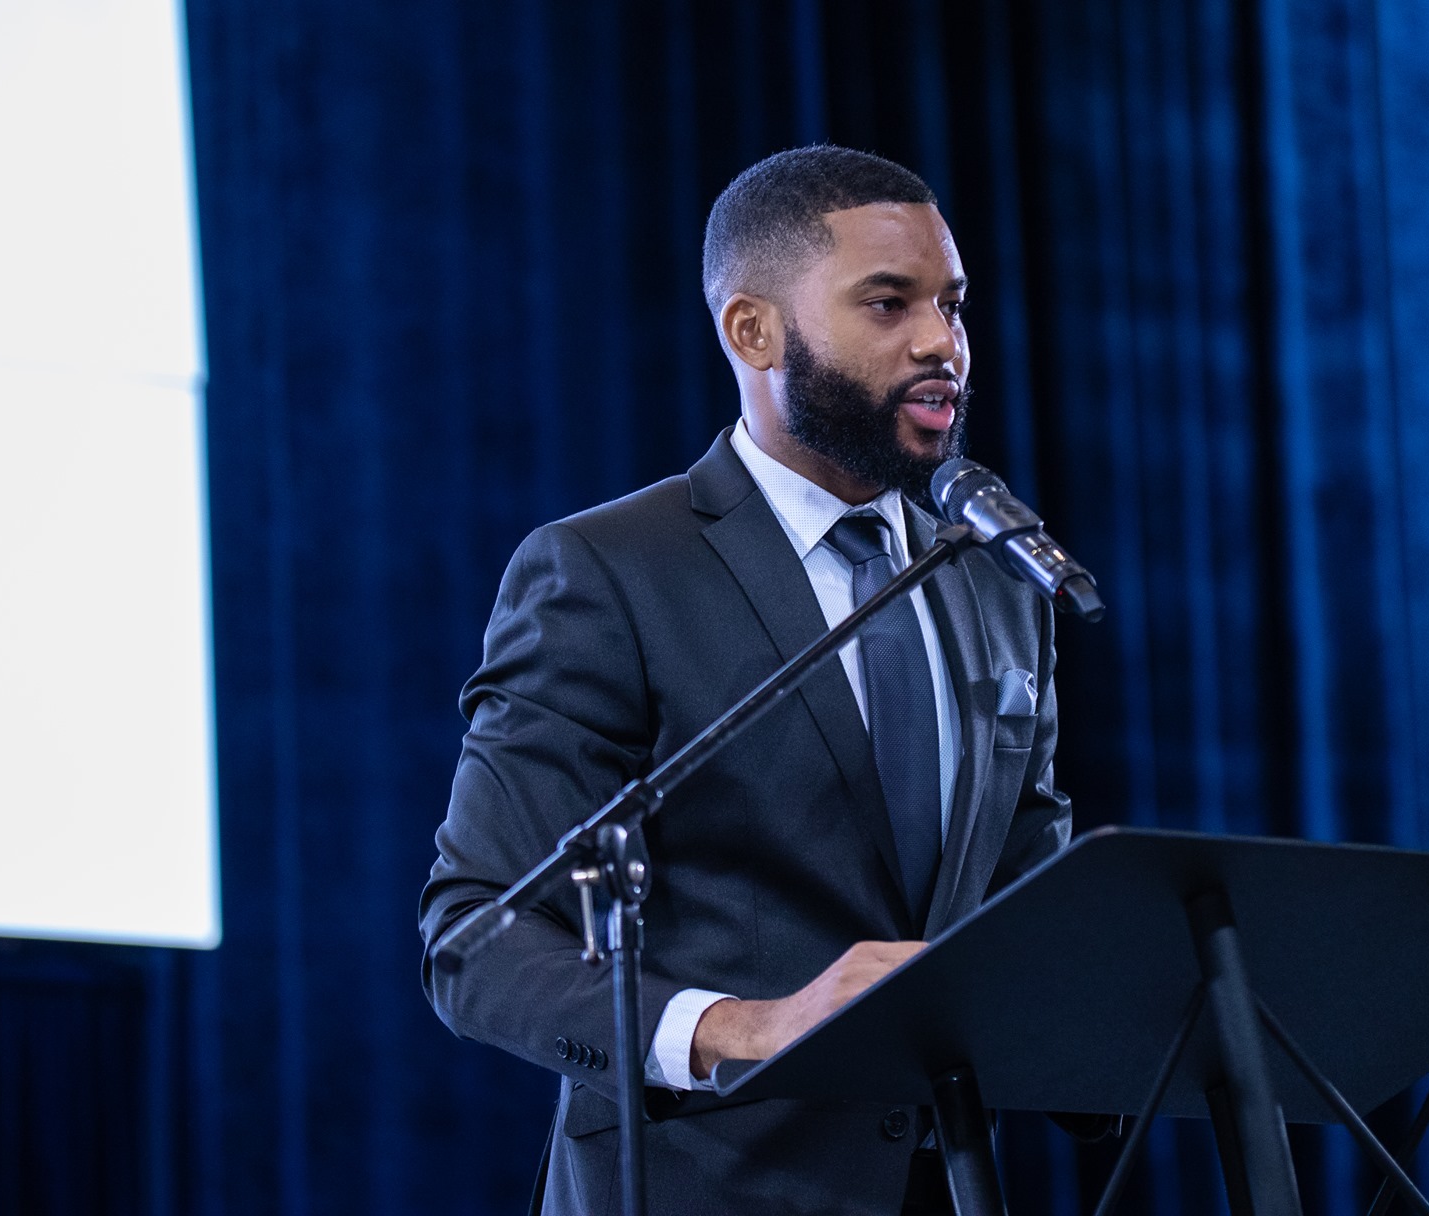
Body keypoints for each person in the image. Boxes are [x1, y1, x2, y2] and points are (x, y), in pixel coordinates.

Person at [420, 145, 1072, 1216]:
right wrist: (744, 1028)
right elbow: (475, 939)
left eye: (952, 306)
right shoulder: (609, 572)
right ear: (752, 331)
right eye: (888, 303)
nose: (940, 343)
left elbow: (1022, 903)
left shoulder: (994, 581)